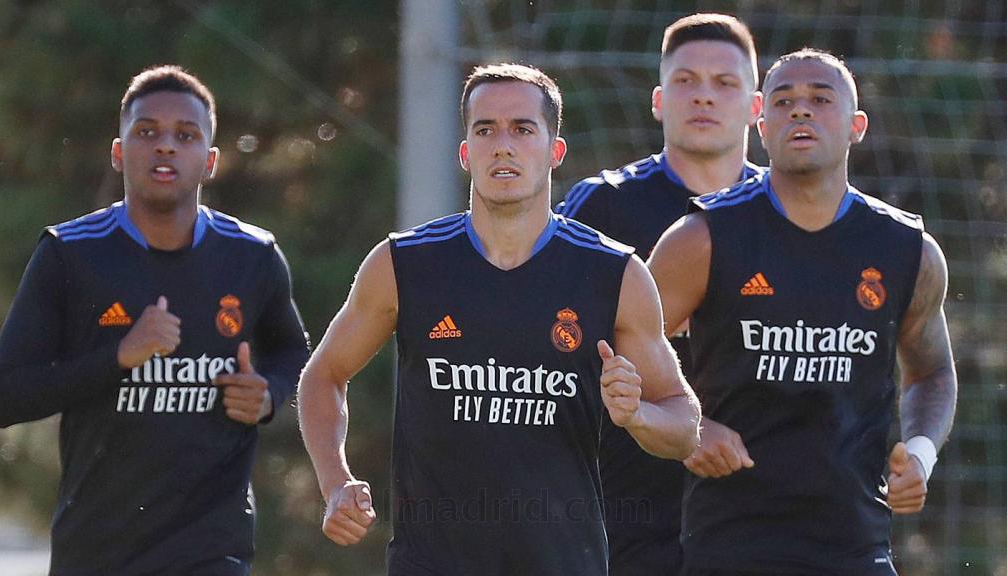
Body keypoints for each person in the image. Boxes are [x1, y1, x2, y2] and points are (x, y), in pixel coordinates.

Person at [298, 63, 701, 575]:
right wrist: (335, 482)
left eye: (522, 129)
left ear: (555, 151)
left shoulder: (614, 273)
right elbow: (324, 375)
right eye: (485, 130)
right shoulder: (403, 264)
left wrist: (636, 415)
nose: (502, 145)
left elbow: (684, 426)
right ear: (466, 153)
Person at [0, 65, 310, 575]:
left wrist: (267, 392)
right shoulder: (69, 254)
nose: (165, 147)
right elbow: (7, 398)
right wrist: (119, 357)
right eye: (146, 132)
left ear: (210, 161)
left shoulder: (253, 254)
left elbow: (295, 353)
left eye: (185, 136)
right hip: (98, 551)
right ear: (118, 153)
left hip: (211, 548)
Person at [648, 49, 957, 575]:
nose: (800, 111)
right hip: (730, 545)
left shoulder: (908, 250)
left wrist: (922, 453)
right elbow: (623, 350)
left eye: (820, 98)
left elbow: (932, 372)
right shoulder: (702, 238)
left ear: (857, 126)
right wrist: (691, 426)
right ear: (761, 125)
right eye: (784, 100)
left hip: (857, 546)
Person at [555, 14, 762, 575]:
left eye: (725, 84)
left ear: (755, 108)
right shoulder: (600, 207)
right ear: (657, 100)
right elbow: (551, 344)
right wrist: (676, 426)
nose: (703, 97)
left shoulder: (788, 215)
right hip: (625, 509)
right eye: (685, 81)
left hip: (764, 509)